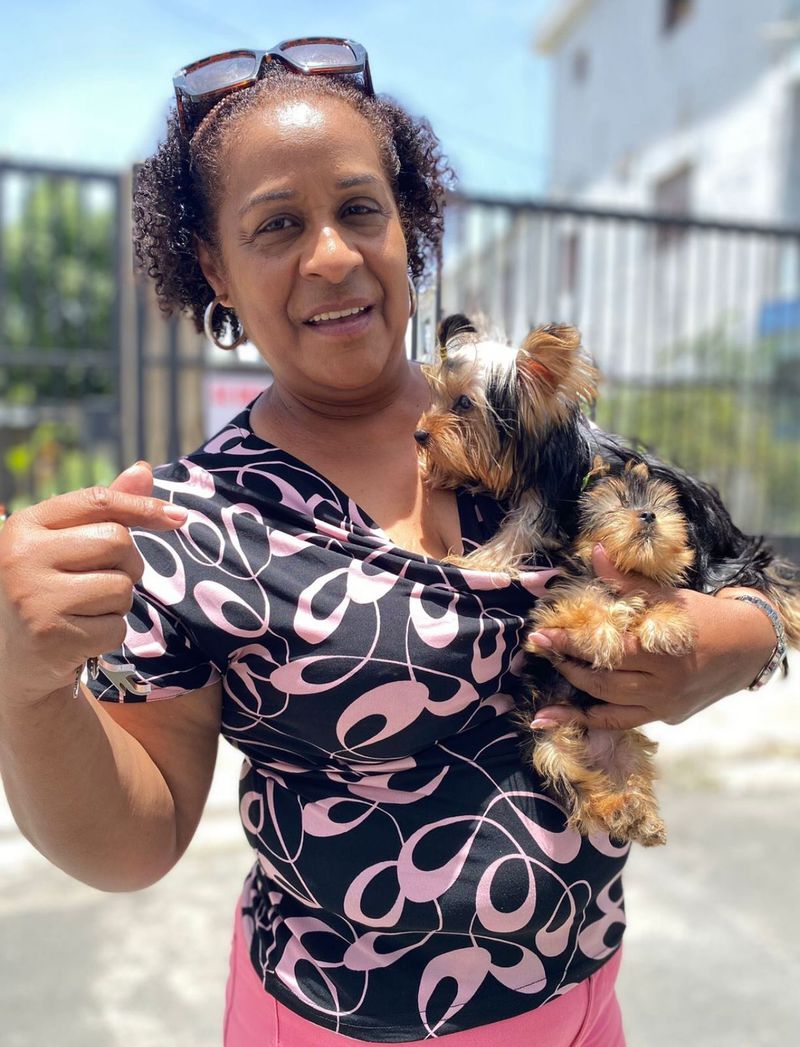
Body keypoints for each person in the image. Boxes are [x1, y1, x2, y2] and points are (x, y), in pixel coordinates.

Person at [0, 38, 786, 1046]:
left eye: (359, 208)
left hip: (586, 1004)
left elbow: (742, 570)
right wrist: (26, 686)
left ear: (405, 222)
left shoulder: (531, 431)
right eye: (277, 224)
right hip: (337, 1022)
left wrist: (737, 640)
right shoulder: (191, 525)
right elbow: (131, 843)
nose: (332, 254)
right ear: (214, 268)